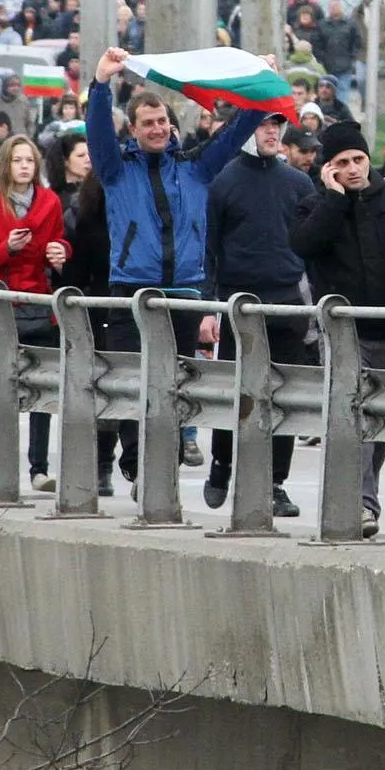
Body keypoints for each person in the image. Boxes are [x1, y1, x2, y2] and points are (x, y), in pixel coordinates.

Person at [84, 46, 261, 491]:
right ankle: (138, 459)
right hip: (131, 293)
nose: (159, 128)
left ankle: (156, 468)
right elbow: (97, 131)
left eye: (163, 121)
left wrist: (259, 90)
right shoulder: (115, 169)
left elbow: (236, 131)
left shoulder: (196, 168)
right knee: (130, 386)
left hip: (184, 293)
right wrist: (100, 84)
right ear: (134, 129)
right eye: (149, 123)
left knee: (174, 388)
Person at [290, 118, 385, 533]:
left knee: (382, 422)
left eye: (359, 159)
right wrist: (335, 199)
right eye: (342, 162)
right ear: (329, 168)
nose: (354, 169)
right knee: (356, 412)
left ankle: (362, 496)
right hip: (343, 332)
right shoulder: (316, 206)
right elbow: (304, 246)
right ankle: (362, 504)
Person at [204, 108, 314, 518]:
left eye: (278, 125)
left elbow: (311, 246)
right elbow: (209, 250)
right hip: (238, 302)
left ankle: (275, 482)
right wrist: (208, 308)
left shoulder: (299, 183)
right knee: (234, 391)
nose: (272, 132)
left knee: (282, 395)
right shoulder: (222, 182)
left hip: (287, 301)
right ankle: (223, 464)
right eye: (264, 124)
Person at [0, 133, 70, 489]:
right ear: (5, 164)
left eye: (30, 161)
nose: (24, 167)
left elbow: (59, 242)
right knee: (1, 389)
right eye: (18, 160)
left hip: (40, 304)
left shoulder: (51, 202)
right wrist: (6, 248)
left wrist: (60, 252)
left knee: (42, 390)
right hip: (0, 307)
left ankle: (38, 469)